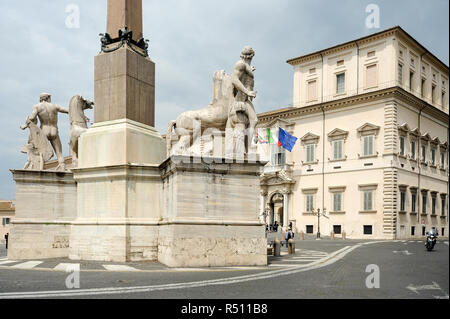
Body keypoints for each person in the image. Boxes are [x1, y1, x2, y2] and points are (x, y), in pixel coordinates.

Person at [21, 93, 69, 171]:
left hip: (44, 130)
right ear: (48, 98)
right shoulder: (55, 106)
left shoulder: (37, 106)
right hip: (54, 130)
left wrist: (25, 124)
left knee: (41, 151)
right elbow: (67, 111)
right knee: (59, 152)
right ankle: (62, 165)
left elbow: (32, 117)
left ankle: (40, 166)